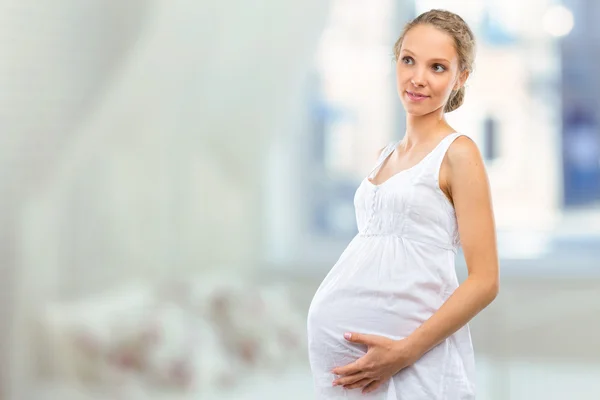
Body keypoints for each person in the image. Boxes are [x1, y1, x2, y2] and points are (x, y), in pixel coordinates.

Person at [306, 9, 499, 399]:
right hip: (353, 374)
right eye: (408, 60)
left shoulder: (458, 154)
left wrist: (401, 353)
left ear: (460, 77)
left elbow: (485, 281)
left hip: (412, 364)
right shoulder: (385, 155)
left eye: (438, 67)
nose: (418, 78)